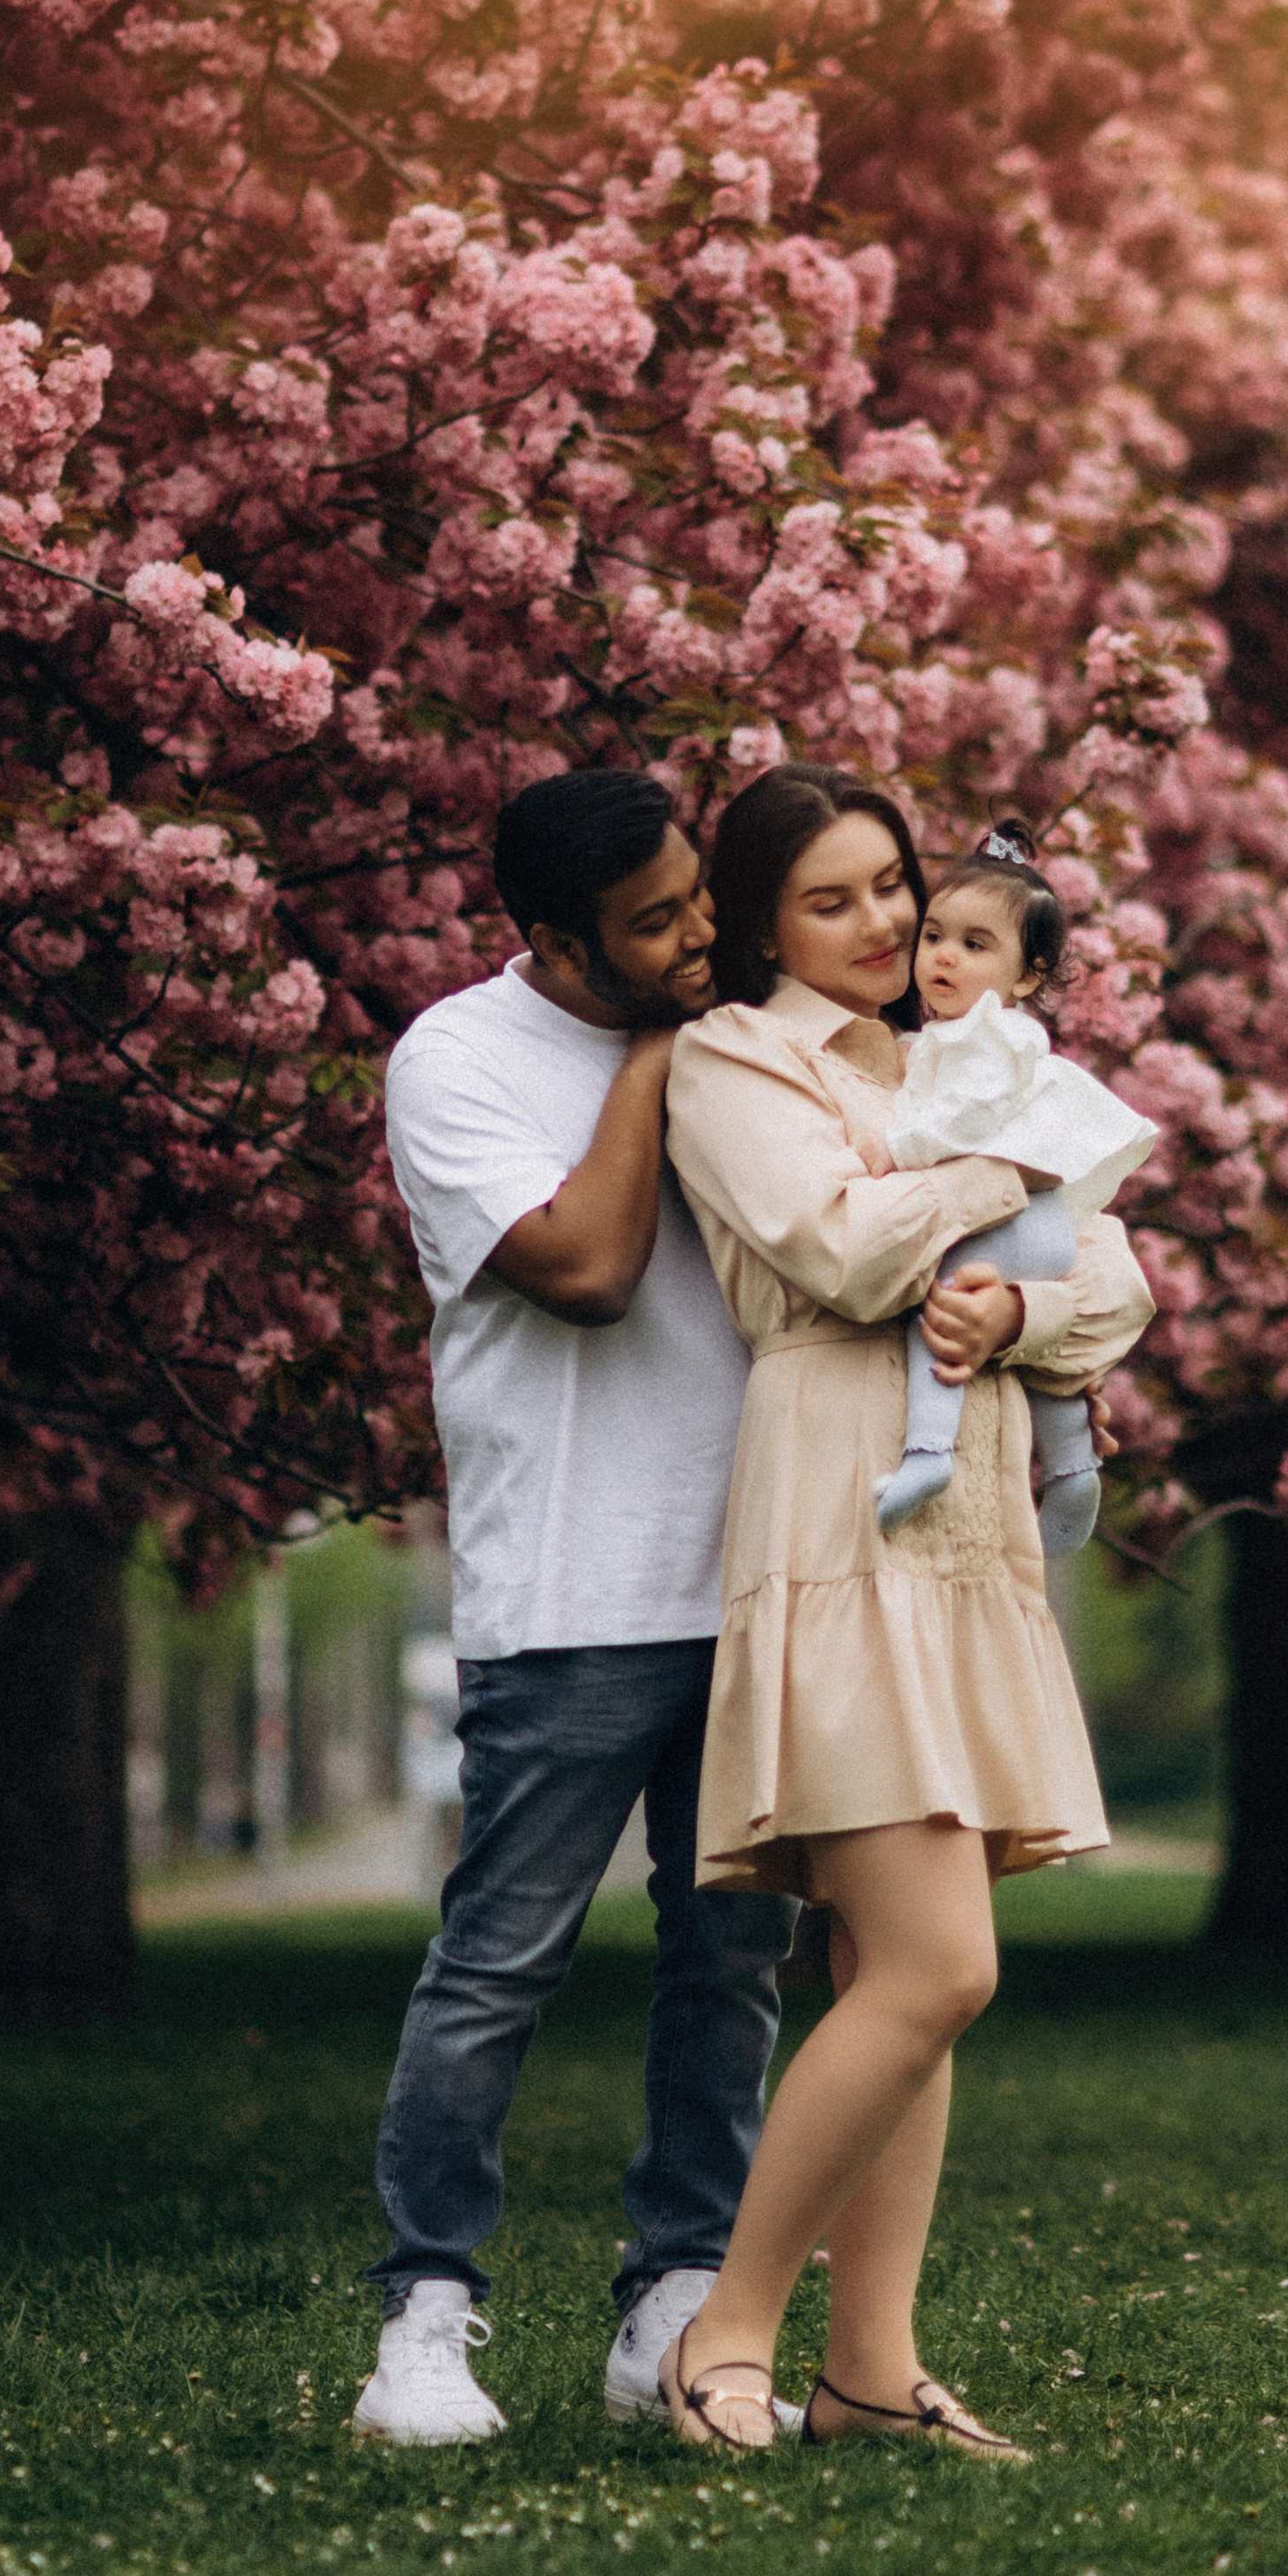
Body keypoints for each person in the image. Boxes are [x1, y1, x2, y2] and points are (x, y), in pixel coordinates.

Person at [652, 763, 1155, 2461]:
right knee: (941, 1966)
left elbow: (1123, 1282)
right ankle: (727, 2326)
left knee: (891, 1962)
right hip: (837, 1503)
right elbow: (843, 1252)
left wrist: (1018, 1304)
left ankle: (872, 2369)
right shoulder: (738, 1063)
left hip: (970, 1524)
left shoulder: (968, 1050)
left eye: (892, 889)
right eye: (835, 901)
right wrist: (1009, 1176)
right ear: (761, 925)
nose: (881, 928)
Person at [353, 766, 801, 2448]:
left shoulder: (751, 1024)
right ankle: (425, 2317)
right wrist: (660, 1066)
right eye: (656, 924)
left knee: (730, 1957)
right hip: (569, 1588)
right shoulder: (457, 1060)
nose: (701, 936)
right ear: (553, 939)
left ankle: (676, 2300)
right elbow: (592, 1271)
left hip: (753, 1572)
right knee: (498, 1965)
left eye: (699, 899)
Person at [872, 821, 1157, 1546]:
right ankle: (1071, 1468)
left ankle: (927, 1452)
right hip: (1037, 1223)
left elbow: (971, 1119)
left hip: (1015, 1217)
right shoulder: (959, 1036)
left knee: (940, 1307)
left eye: (975, 945)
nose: (942, 956)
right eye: (934, 935)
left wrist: (900, 1149)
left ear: (1027, 976)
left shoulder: (993, 1036)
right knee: (1035, 1356)